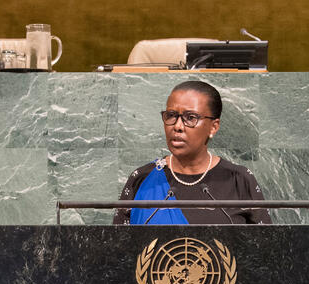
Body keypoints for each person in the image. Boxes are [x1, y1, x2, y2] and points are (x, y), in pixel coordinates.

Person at [113, 80, 271, 225]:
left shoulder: (239, 180)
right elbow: (118, 244)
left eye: (190, 117)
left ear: (213, 127)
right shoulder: (142, 179)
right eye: (171, 116)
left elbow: (266, 244)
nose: (177, 126)